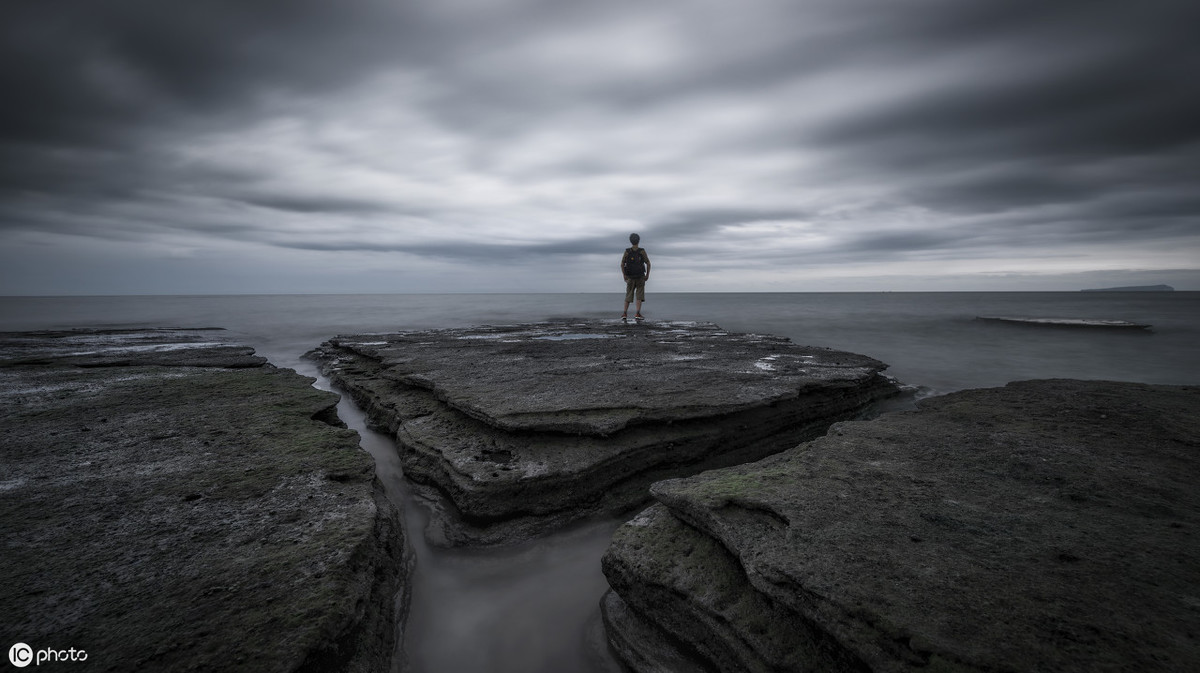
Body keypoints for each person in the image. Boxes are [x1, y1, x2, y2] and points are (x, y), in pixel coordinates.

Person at [620, 232, 651, 321]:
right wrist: (647, 275)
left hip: (630, 277)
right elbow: (648, 263)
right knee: (639, 295)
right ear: (638, 241)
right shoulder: (642, 251)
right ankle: (637, 313)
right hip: (640, 276)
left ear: (630, 241)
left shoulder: (627, 251)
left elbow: (622, 263)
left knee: (628, 295)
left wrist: (624, 275)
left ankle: (624, 313)